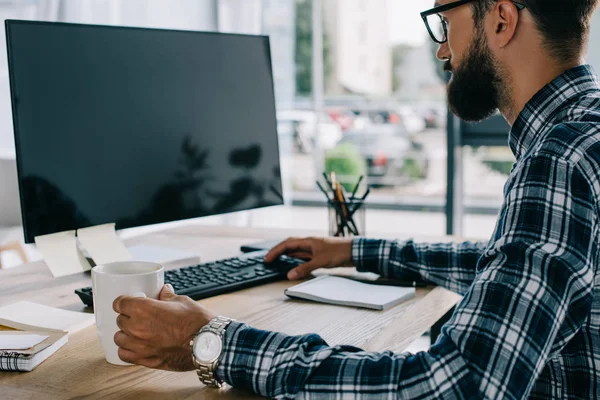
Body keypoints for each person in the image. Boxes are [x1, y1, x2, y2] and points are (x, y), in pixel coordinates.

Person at [111, 0, 600, 398]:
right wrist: (353, 251)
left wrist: (212, 341)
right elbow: (518, 273)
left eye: (444, 21)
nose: (441, 51)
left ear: (500, 18)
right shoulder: (585, 133)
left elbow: (454, 385)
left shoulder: (561, 159)